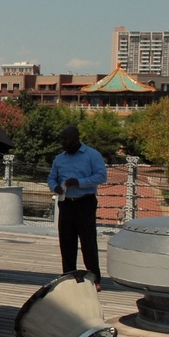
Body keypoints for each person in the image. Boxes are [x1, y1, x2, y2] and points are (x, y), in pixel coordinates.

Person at [48, 125, 107, 291]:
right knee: (66, 242)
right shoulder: (59, 158)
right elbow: (51, 178)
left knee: (88, 242)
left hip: (84, 202)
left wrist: (79, 182)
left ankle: (94, 278)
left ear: (75, 139)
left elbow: (101, 176)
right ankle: (68, 277)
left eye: (65, 139)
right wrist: (55, 187)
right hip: (66, 202)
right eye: (61, 139)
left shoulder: (92, 155)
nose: (62, 142)